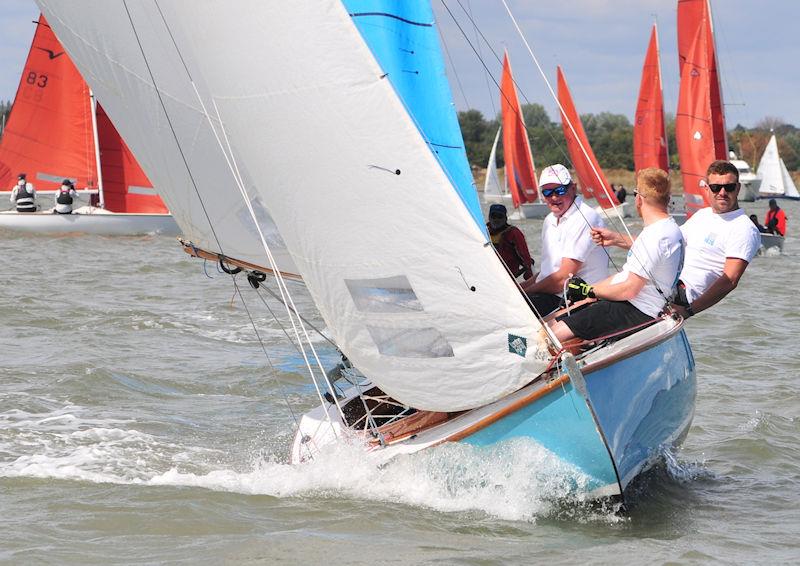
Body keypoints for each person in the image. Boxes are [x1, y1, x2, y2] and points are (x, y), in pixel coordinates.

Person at [550, 167, 682, 342]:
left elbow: (629, 289)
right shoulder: (669, 228)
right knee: (553, 320)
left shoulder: (655, 236)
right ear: (667, 198)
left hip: (635, 310)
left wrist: (588, 290)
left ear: (639, 199)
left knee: (552, 333)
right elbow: (653, 253)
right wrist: (615, 239)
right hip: (637, 307)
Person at [668, 160, 761, 318]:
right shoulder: (703, 215)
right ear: (707, 189)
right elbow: (666, 244)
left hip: (682, 298)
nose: (722, 192)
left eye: (729, 187)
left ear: (738, 188)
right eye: (716, 187)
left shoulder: (744, 228)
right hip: (666, 283)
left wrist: (689, 311)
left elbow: (730, 280)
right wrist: (617, 239)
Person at [520, 164, 608, 315]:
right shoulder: (550, 219)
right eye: (547, 192)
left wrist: (523, 294)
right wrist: (518, 288)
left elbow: (563, 279)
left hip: (578, 299)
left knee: (514, 309)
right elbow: (548, 272)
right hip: (553, 294)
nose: (554, 197)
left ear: (573, 188)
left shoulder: (584, 217)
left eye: (560, 190)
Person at [487, 203, 534, 281]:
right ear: (489, 217)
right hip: (489, 272)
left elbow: (524, 254)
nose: (496, 219)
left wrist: (529, 272)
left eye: (500, 217)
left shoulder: (513, 233)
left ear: (505, 218)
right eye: (494, 216)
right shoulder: (484, 231)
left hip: (507, 275)